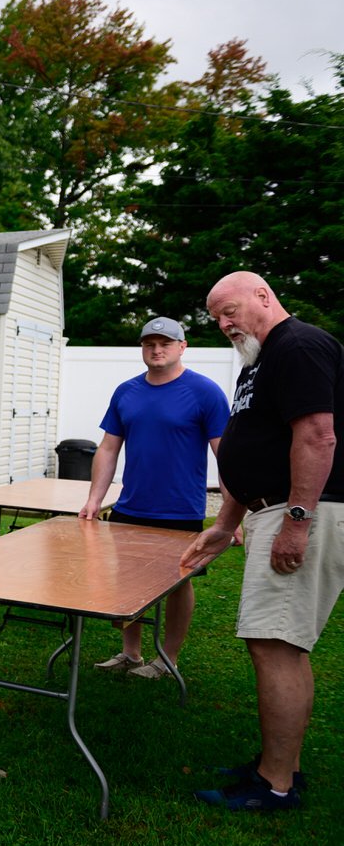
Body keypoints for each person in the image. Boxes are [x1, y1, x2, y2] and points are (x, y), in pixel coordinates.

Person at [182, 271, 344, 811]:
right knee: (280, 644)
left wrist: (297, 520)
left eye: (229, 311)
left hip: (299, 511)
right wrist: (227, 524)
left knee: (275, 644)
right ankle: (282, 768)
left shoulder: (298, 345)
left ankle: (274, 786)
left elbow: (318, 435)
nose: (224, 324)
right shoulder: (259, 361)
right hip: (271, 509)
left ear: (263, 296)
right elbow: (255, 448)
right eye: (215, 318)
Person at [78, 316, 229, 679]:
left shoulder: (205, 392)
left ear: (182, 347)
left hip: (180, 511)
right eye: (149, 344)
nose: (157, 350)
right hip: (130, 507)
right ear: (142, 348)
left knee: (178, 585)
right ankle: (131, 654)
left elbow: (225, 454)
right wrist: (95, 499)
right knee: (129, 580)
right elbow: (109, 448)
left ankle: (167, 659)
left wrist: (231, 510)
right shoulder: (126, 391)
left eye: (165, 343)